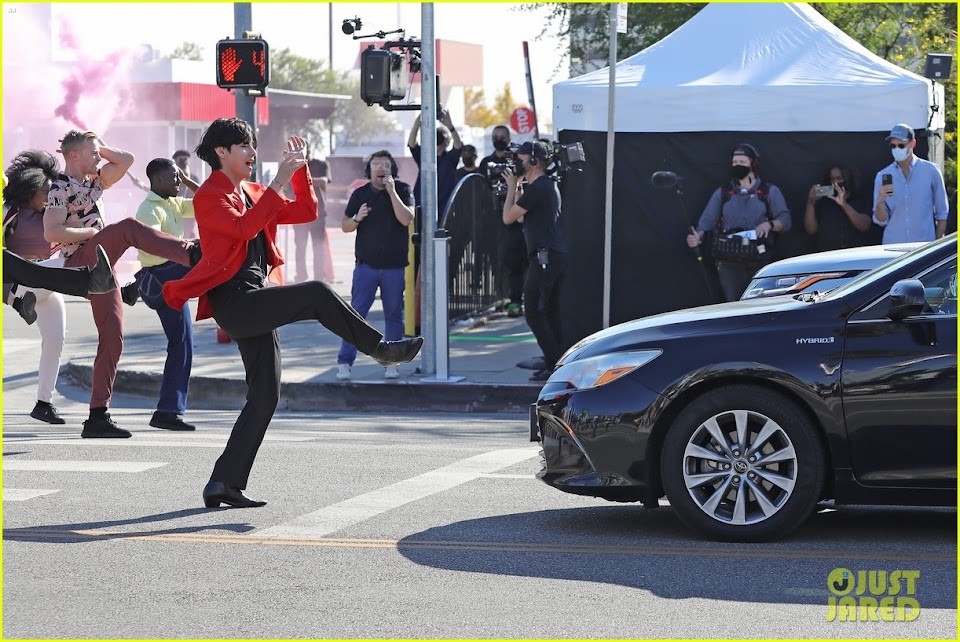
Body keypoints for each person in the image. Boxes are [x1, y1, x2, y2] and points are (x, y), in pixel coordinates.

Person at [162, 118, 423, 509]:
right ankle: (380, 349)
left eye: (253, 146)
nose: (252, 154)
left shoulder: (252, 190)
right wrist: (278, 181)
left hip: (256, 299)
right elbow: (244, 229)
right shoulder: (209, 196)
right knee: (317, 293)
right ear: (222, 152)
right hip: (235, 302)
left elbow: (303, 211)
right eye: (245, 147)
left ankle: (223, 482)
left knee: (265, 396)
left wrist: (298, 172)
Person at [43, 129, 199, 438]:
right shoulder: (60, 188)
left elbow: (127, 160)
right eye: (91, 152)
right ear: (74, 156)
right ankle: (190, 254)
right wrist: (88, 234)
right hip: (81, 261)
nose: (98, 156)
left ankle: (97, 416)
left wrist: (98, 147)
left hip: (102, 267)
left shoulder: (94, 181)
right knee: (127, 227)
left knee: (113, 338)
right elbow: (52, 233)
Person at [4, 150, 75, 423]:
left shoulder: (53, 214)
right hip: (21, 282)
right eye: (44, 191)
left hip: (44, 283)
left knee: (56, 339)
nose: (49, 196)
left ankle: (43, 404)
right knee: (73, 268)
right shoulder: (10, 213)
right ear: (29, 190)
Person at [134, 158, 201, 432]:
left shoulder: (174, 202)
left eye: (179, 177)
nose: (178, 181)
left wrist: (187, 182)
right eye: (174, 177)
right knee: (181, 345)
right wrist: (188, 247)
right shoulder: (149, 210)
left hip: (175, 276)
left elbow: (208, 201)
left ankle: (169, 410)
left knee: (182, 344)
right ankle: (168, 411)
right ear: (158, 180)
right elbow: (152, 250)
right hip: (162, 278)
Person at [337, 151, 415, 381]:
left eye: (385, 164)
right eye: (375, 164)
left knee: (393, 315)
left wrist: (391, 192)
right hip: (366, 266)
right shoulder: (360, 194)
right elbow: (345, 226)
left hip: (394, 267)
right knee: (356, 315)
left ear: (392, 169)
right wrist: (357, 218)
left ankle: (392, 362)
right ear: (369, 170)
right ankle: (345, 361)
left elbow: (407, 218)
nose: (380, 168)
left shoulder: (402, 189)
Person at [687, 143, 791, 301]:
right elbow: (706, 222)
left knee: (760, 305)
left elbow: (785, 220)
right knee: (735, 305)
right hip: (729, 262)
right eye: (735, 163)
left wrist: (769, 224)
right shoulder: (723, 193)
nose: (738, 166)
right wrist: (697, 236)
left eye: (742, 162)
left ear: (753, 164)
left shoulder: (768, 191)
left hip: (760, 259)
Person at [502, 141, 567, 383]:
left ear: (533, 161)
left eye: (520, 158)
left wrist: (511, 188)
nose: (516, 162)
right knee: (548, 311)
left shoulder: (540, 188)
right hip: (548, 256)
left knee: (534, 311)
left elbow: (508, 217)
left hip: (545, 256)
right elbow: (521, 220)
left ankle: (554, 362)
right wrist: (518, 186)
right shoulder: (540, 186)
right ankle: (554, 360)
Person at [873, 123, 949, 244]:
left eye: (901, 145)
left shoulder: (931, 171)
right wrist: (880, 201)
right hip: (893, 247)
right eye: (893, 146)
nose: (896, 149)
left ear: (912, 144)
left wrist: (936, 245)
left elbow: (942, 213)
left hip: (923, 247)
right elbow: (880, 221)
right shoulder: (882, 176)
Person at [480, 125, 526, 317]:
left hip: (514, 219)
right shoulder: (486, 163)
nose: (499, 139)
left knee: (514, 261)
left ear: (508, 139)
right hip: (493, 218)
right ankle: (499, 298)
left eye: (502, 137)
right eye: (495, 136)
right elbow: (480, 188)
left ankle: (516, 299)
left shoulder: (515, 162)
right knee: (495, 260)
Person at [804, 165, 872, 252]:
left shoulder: (860, 200)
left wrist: (844, 204)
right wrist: (810, 203)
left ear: (848, 179)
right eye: (832, 179)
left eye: (839, 178)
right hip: (828, 255)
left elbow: (864, 226)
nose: (835, 183)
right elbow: (811, 230)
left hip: (854, 254)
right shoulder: (824, 201)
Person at [408, 109, 463, 218]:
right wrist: (416, 127)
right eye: (436, 136)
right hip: (423, 205)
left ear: (447, 142)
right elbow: (412, 144)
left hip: (444, 207)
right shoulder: (424, 156)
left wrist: (450, 127)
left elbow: (458, 145)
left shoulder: (450, 158)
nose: (439, 139)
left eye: (442, 137)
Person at [292, 158, 334, 283]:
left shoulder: (321, 164)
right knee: (300, 247)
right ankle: (301, 276)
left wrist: (304, 179)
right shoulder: (293, 165)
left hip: (318, 212)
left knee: (319, 247)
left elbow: (324, 181)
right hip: (299, 214)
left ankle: (319, 277)